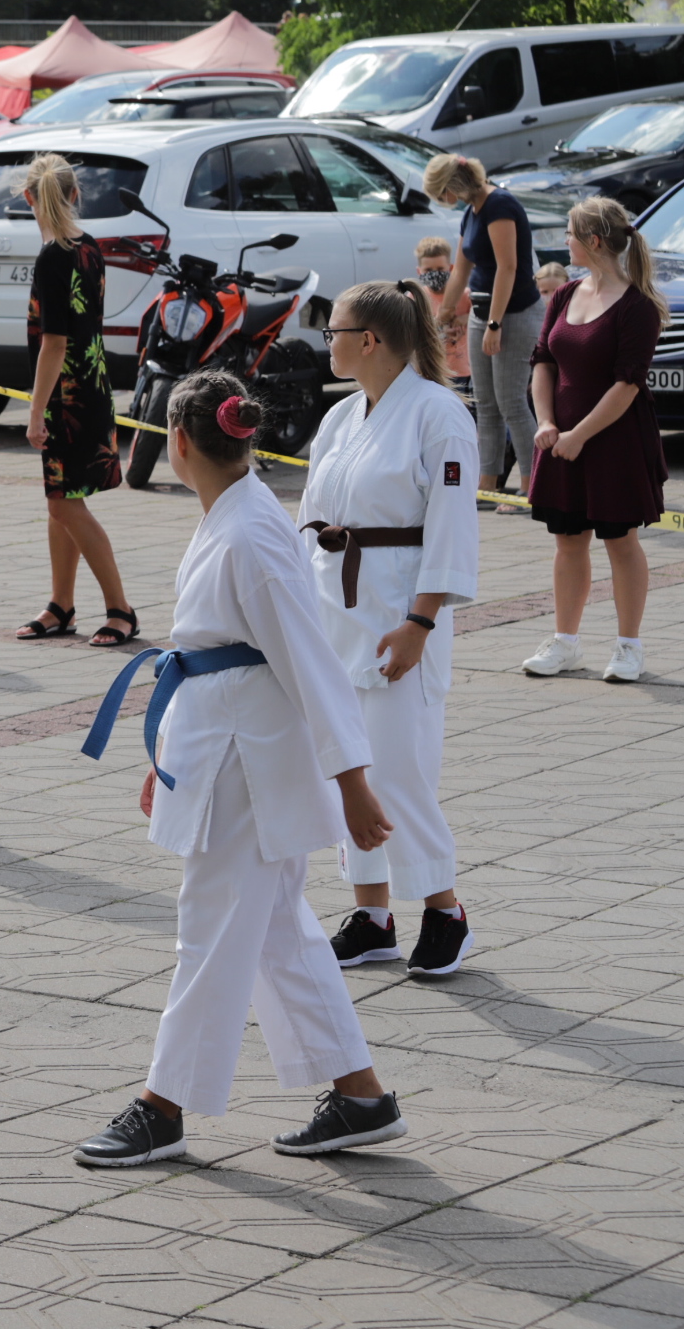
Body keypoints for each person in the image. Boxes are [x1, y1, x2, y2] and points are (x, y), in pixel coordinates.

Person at [72, 369, 405, 1167]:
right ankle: (360, 1096)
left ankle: (164, 1105)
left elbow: (308, 663)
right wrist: (172, 754)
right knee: (277, 931)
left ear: (179, 443)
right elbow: (222, 658)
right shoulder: (238, 514)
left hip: (248, 759)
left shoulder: (250, 533)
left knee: (212, 928)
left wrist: (353, 780)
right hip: (225, 742)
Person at [303, 282, 480, 978]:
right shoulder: (342, 416)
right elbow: (311, 520)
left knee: (400, 771)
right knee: (348, 768)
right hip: (334, 613)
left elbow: (452, 526)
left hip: (400, 615)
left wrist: (421, 621)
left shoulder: (438, 414)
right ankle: (373, 916)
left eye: (334, 331)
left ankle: (445, 910)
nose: (329, 342)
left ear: (369, 339)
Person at [521, 196, 669, 684]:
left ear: (594, 240)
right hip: (561, 438)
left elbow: (628, 385)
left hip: (614, 441)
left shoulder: (637, 306)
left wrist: (580, 435)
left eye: (569, 233)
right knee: (568, 540)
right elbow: (543, 361)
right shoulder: (564, 294)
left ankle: (629, 647)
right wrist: (546, 422)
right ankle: (565, 642)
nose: (565, 241)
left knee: (620, 541)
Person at [13, 154, 137, 648]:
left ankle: (120, 609)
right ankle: (60, 605)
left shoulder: (53, 255)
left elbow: (54, 343)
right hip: (92, 387)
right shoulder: (88, 246)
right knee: (61, 503)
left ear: (29, 197)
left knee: (65, 505)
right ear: (75, 194)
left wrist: (35, 410)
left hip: (67, 398)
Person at [430, 154, 538, 504]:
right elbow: (461, 270)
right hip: (481, 312)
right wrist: (443, 314)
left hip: (513, 313)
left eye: (441, 193)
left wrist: (495, 323)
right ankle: (487, 485)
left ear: (453, 185)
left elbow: (508, 267)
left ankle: (533, 486)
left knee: (512, 403)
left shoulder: (499, 204)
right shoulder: (472, 210)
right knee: (486, 404)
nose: (441, 200)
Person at [415, 237, 470, 387]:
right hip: (430, 371)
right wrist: (439, 325)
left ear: (451, 269)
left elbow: (482, 316)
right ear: (419, 271)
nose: (435, 274)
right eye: (428, 270)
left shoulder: (465, 295)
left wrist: (466, 318)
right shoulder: (416, 297)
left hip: (461, 372)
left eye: (440, 269)